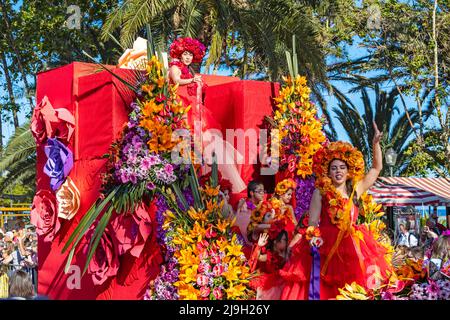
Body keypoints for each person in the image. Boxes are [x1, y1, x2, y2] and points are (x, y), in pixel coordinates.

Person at [280, 122, 392, 300]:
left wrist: (375, 144)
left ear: (348, 171)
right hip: (325, 245)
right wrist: (313, 238)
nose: (338, 171)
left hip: (353, 246)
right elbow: (312, 223)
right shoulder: (320, 191)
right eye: (334, 168)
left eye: (342, 167)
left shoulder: (357, 188)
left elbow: (376, 169)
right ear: (328, 172)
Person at [168, 37, 246, 193]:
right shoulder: (175, 66)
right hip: (181, 107)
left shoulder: (189, 70)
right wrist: (192, 80)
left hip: (193, 108)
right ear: (180, 54)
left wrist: (198, 83)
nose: (188, 57)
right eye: (185, 54)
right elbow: (176, 80)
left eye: (190, 55)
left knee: (207, 140)